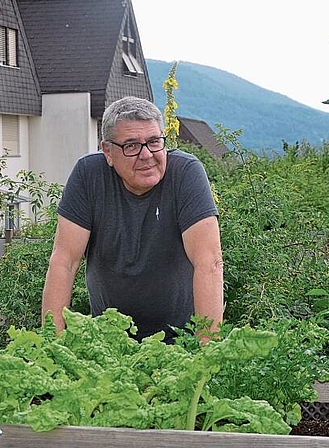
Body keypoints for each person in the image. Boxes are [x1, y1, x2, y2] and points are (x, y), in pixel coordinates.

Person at [41, 96, 224, 344]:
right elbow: (64, 262)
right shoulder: (89, 176)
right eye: (131, 146)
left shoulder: (186, 173)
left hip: (183, 342)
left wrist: (208, 353)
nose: (146, 154)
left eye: (154, 142)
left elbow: (209, 263)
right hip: (109, 343)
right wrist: (52, 346)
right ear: (108, 151)